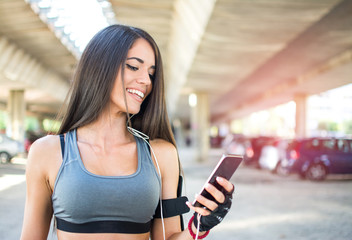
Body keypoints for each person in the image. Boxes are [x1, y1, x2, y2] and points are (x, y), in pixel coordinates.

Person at [20, 24, 235, 240]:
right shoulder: (46, 152)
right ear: (98, 67)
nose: (146, 81)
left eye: (151, 73)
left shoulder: (161, 155)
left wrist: (200, 224)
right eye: (133, 67)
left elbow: (168, 237)